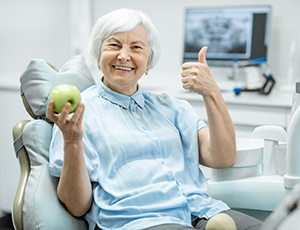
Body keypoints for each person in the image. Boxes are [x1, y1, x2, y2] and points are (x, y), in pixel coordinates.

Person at [46, 8, 261, 230]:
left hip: (201, 211)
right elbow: (77, 206)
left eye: (136, 47)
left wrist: (212, 93)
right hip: (139, 221)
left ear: (148, 61)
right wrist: (72, 141)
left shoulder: (172, 108)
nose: (124, 55)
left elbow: (223, 158)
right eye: (114, 45)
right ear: (98, 53)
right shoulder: (77, 116)